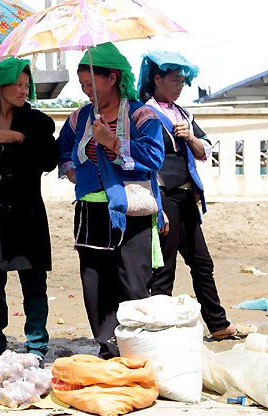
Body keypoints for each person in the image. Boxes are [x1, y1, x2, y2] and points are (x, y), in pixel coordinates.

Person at [137, 50, 257, 340]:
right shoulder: (144, 113)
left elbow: (204, 150)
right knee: (164, 268)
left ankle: (218, 324)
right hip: (163, 196)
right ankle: (158, 332)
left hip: (187, 197)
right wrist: (156, 207)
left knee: (202, 263)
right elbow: (141, 162)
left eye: (182, 81)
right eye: (175, 80)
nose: (180, 86)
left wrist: (189, 136)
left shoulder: (183, 115)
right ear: (157, 79)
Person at [57, 42, 164, 358]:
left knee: (132, 283)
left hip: (130, 209)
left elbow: (154, 158)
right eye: (82, 85)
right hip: (90, 208)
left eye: (91, 83)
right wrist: (70, 169)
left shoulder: (143, 116)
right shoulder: (79, 119)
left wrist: (113, 142)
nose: (86, 90)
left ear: (113, 78)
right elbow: (63, 148)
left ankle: (138, 348)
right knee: (95, 282)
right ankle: (108, 345)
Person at [0, 57, 59, 359]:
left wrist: (20, 139)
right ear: (0, 86)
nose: (23, 89)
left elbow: (50, 159)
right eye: (17, 84)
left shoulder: (38, 122)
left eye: (26, 85)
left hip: (28, 210)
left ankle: (37, 345)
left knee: (34, 282)